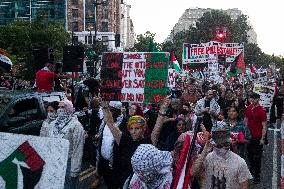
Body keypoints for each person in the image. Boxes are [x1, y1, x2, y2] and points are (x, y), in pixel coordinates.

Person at [99, 101, 153, 188]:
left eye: (137, 128)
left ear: (143, 129)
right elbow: (111, 124)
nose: (134, 131)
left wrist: (162, 110)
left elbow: (157, 130)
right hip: (125, 181)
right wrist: (105, 106)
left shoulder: (148, 142)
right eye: (131, 128)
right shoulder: (125, 140)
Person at [191, 121, 252, 189]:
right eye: (217, 134)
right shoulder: (206, 158)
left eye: (223, 134)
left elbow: (244, 186)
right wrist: (205, 151)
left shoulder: (239, 162)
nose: (221, 137)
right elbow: (193, 173)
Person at [40, 100, 85, 189]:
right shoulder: (53, 124)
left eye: (63, 107)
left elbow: (78, 149)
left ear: (69, 109)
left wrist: (74, 170)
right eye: (59, 107)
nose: (60, 109)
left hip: (68, 162)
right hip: (54, 160)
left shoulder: (76, 126)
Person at [244, 92, 267, 184]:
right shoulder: (248, 109)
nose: (252, 100)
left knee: (257, 157)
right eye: (251, 98)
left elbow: (264, 125)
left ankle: (257, 176)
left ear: (258, 99)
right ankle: (252, 169)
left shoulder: (262, 110)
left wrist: (262, 138)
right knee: (249, 155)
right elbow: (245, 121)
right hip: (249, 137)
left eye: (254, 98)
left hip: (257, 137)